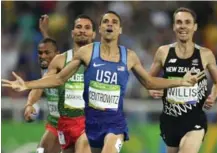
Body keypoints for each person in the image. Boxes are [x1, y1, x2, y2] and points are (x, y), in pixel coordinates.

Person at [2, 11, 205, 153]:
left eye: (114, 22)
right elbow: (59, 78)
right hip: (87, 125)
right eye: (106, 21)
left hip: (113, 124)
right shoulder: (88, 52)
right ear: (100, 29)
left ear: (120, 30)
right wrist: (28, 85)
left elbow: (150, 83)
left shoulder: (129, 56)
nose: (110, 24)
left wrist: (181, 81)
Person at [149, 7, 217, 153]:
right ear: (174, 26)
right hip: (170, 121)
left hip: (194, 121)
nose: (183, 26)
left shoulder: (205, 54)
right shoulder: (163, 52)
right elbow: (149, 79)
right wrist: (152, 89)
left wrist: (213, 96)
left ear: (194, 27)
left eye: (187, 22)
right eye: (179, 22)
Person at [26, 14, 96, 153]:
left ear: (94, 34)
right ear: (72, 33)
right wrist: (29, 104)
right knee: (41, 151)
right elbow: (42, 82)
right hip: (61, 123)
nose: (82, 30)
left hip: (88, 123)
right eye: (79, 27)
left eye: (87, 28)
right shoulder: (60, 60)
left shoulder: (101, 61)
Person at [24, 37, 61, 153]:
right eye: (40, 53)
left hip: (73, 125)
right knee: (41, 150)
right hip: (54, 124)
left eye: (47, 53)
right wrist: (29, 104)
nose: (43, 56)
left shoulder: (65, 70)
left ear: (58, 54)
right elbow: (38, 87)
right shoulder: (45, 70)